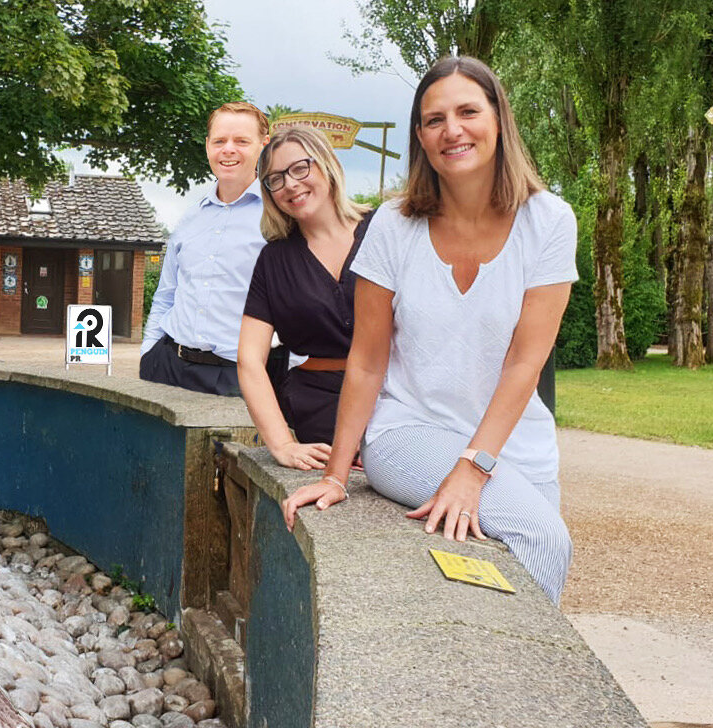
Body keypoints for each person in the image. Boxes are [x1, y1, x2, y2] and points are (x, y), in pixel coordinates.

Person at [282, 56, 578, 604]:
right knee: (542, 536)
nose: (452, 130)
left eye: (468, 111)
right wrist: (338, 473)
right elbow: (367, 362)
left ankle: (495, 683)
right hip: (410, 433)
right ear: (419, 135)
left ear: (498, 120)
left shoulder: (550, 221)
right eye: (434, 119)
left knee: (519, 575)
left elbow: (525, 363)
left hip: (517, 446)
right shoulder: (394, 225)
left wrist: (473, 466)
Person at [238, 125, 372, 470]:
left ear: (327, 165)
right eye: (275, 179)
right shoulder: (274, 261)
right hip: (320, 410)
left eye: (300, 168)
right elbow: (250, 360)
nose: (290, 185)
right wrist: (281, 443)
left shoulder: (385, 230)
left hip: (399, 400)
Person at [140, 102, 271, 396]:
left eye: (241, 141)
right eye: (219, 141)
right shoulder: (189, 218)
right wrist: (148, 352)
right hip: (168, 366)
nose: (228, 149)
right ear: (208, 145)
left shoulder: (279, 220)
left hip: (238, 377)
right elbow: (166, 295)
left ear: (263, 146)